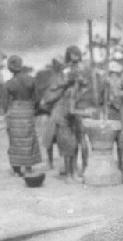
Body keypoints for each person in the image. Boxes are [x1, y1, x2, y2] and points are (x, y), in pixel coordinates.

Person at [41, 46, 87, 183]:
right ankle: (68, 174)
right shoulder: (63, 75)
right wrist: (66, 83)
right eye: (72, 62)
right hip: (62, 112)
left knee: (75, 144)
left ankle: (73, 172)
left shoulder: (77, 74)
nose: (75, 65)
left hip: (72, 112)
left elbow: (83, 87)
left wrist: (82, 85)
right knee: (67, 144)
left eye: (77, 62)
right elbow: (52, 92)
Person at [2, 55, 42, 177]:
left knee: (15, 141)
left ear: (10, 68)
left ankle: (17, 170)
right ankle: (28, 168)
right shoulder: (31, 80)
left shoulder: (9, 84)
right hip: (28, 111)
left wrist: (7, 115)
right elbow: (37, 99)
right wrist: (33, 110)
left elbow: (4, 104)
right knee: (28, 139)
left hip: (14, 113)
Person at [38, 56, 65, 170]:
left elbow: (59, 94)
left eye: (58, 64)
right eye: (56, 64)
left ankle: (62, 163)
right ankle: (50, 162)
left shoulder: (62, 77)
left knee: (61, 137)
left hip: (59, 110)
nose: (57, 66)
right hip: (50, 111)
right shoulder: (50, 77)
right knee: (49, 137)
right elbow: (47, 95)